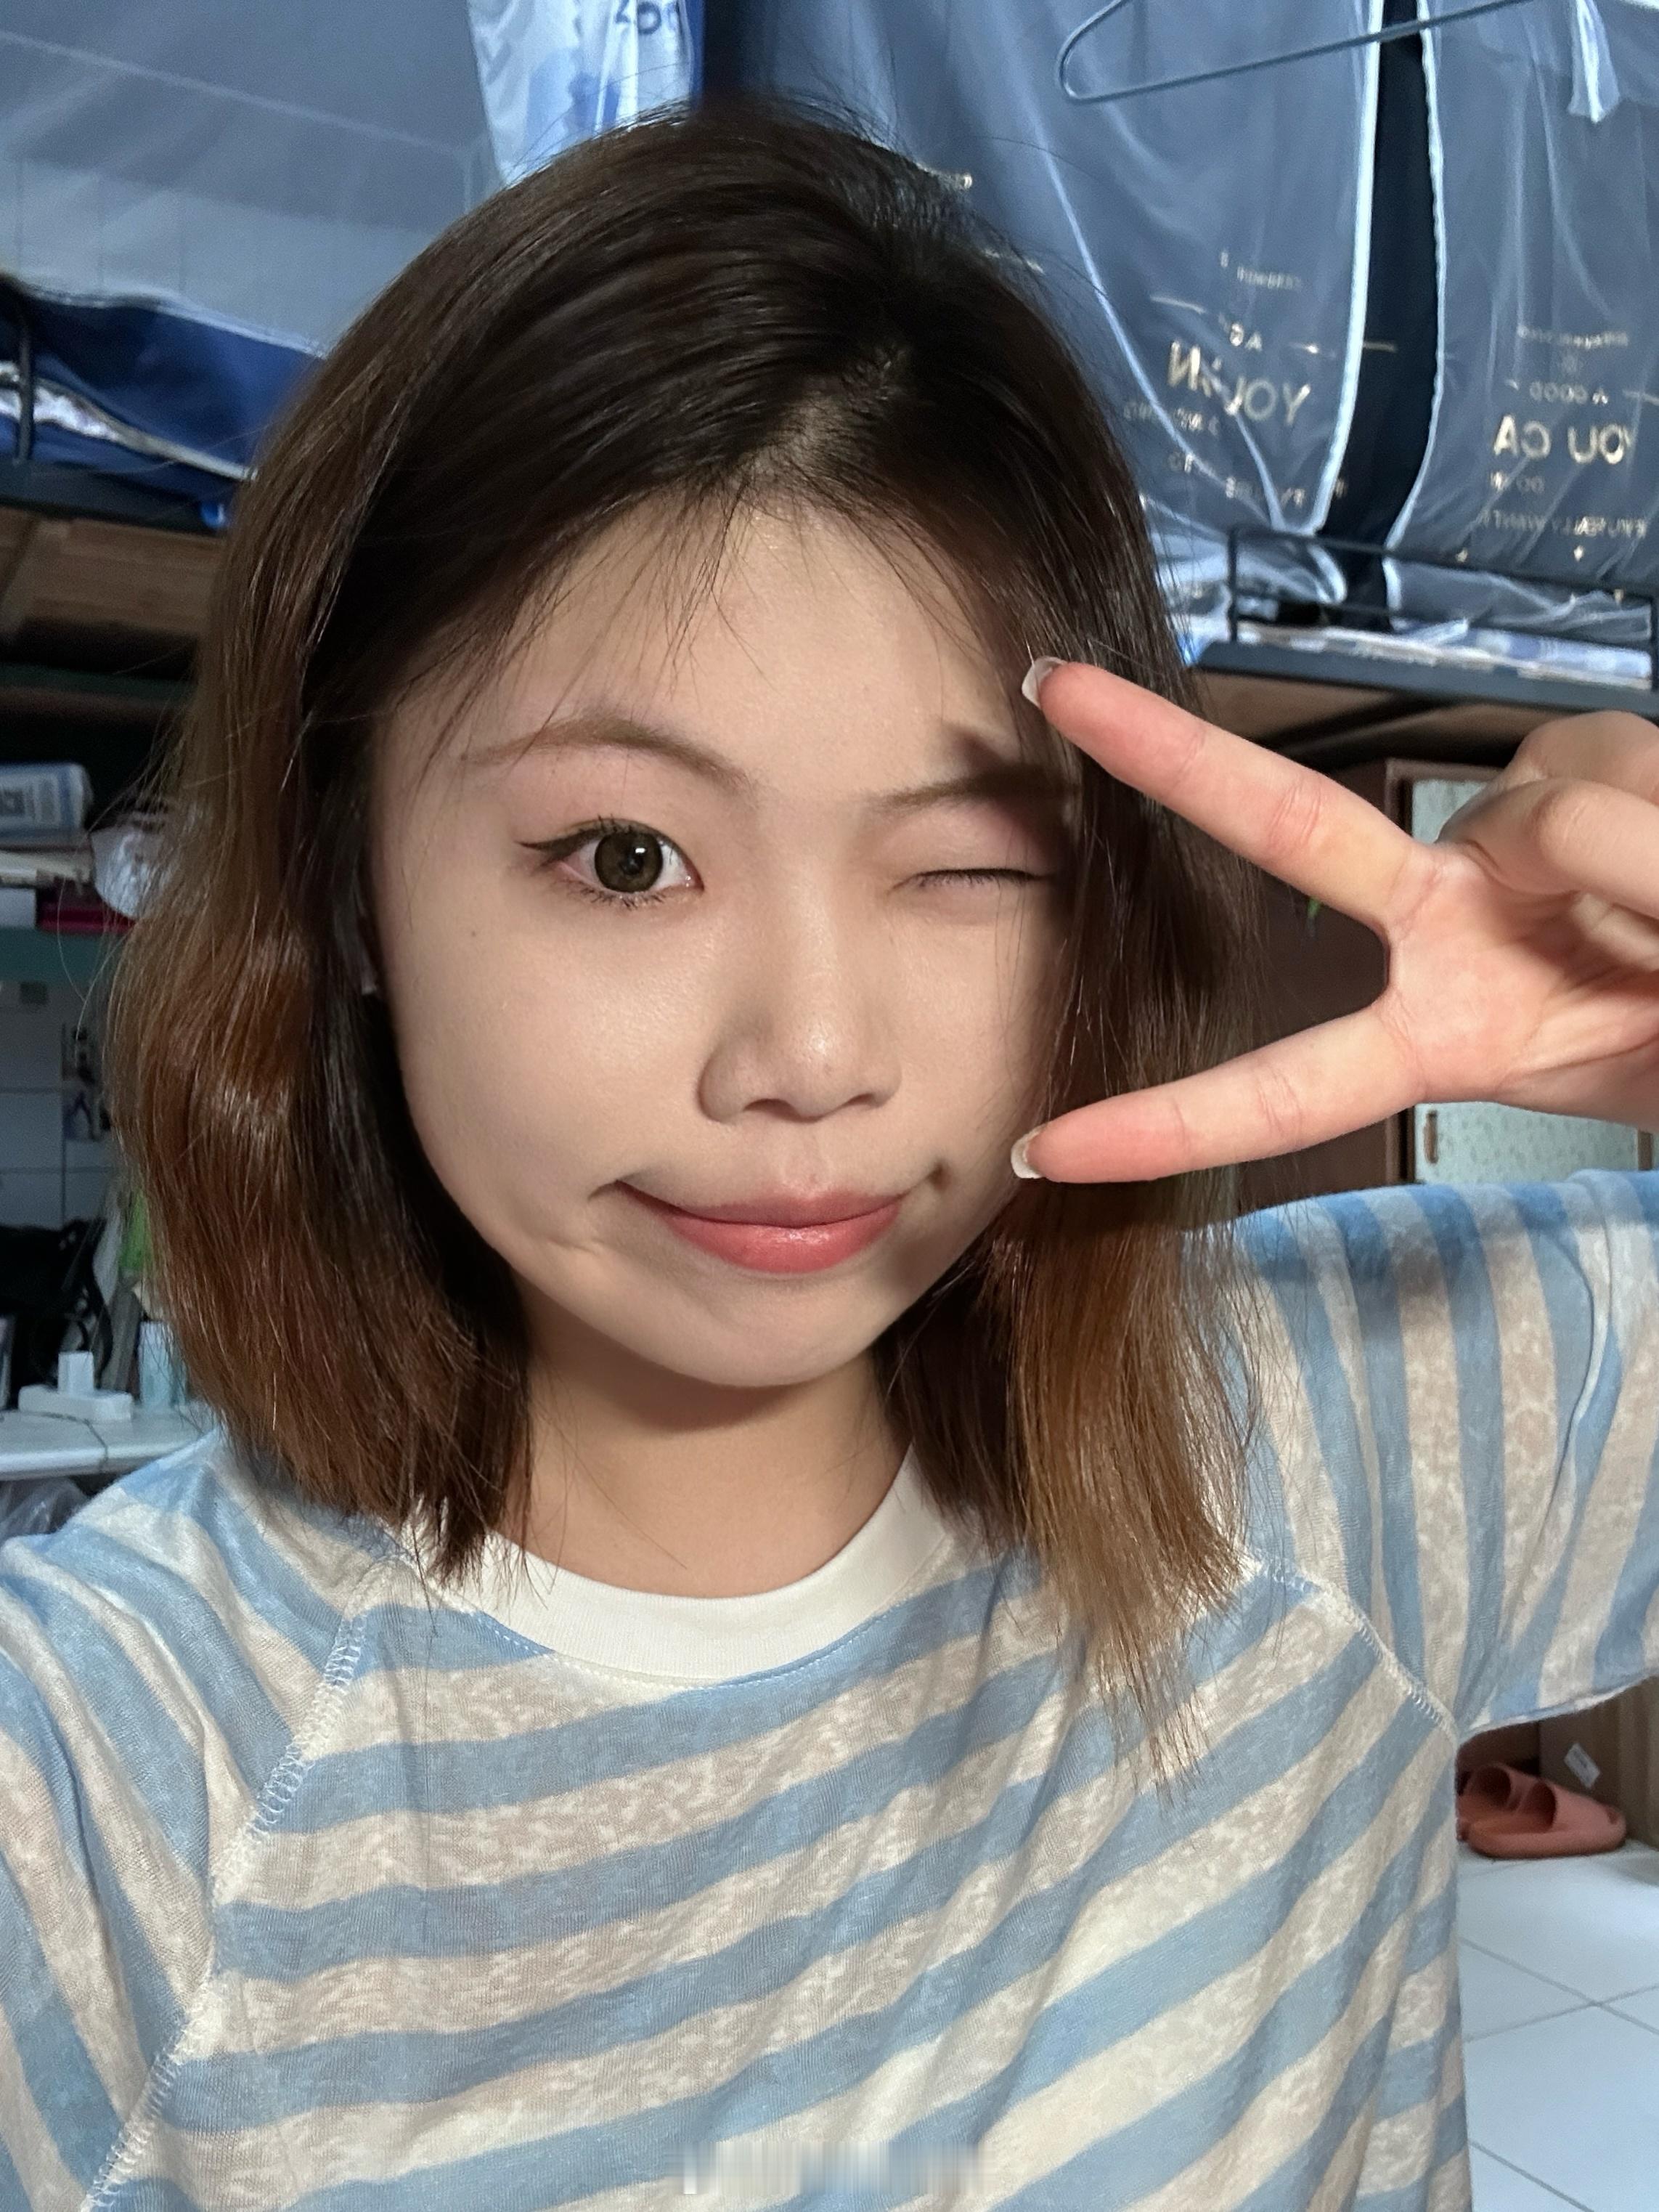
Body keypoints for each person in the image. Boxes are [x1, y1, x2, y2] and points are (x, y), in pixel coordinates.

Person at [2, 94, 1656, 2211]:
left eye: (966, 864)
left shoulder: (1350, 1434)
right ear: (349, 885)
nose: (811, 1059)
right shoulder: (112, 1786)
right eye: (627, 856)